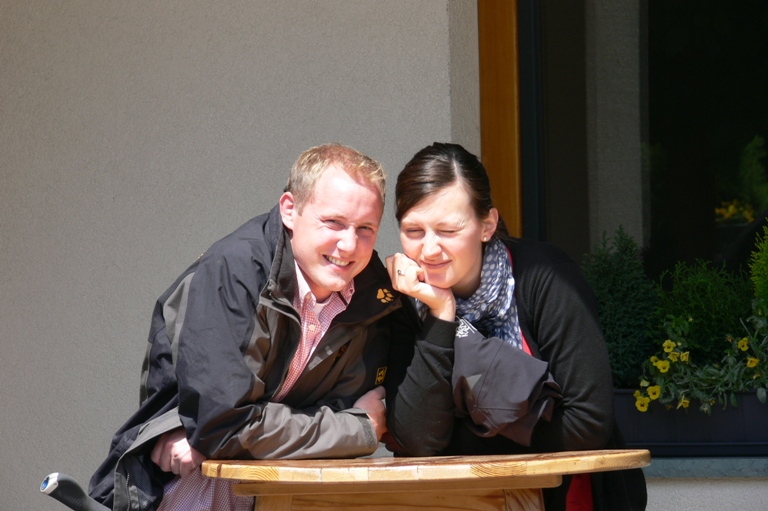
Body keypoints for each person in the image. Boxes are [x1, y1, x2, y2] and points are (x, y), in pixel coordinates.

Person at [88, 143, 403, 511]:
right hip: (189, 485)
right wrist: (357, 430)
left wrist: (233, 432)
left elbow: (346, 403)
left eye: (366, 229)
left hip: (289, 494)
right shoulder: (235, 270)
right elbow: (224, 426)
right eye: (333, 222)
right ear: (290, 209)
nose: (349, 245)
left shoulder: (374, 293)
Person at [383, 142, 647, 511]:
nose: (429, 250)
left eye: (448, 230)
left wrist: (456, 439)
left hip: (563, 498)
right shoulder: (402, 301)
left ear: (487, 225)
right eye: (414, 231)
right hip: (451, 503)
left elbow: (588, 422)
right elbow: (415, 438)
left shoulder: (545, 277)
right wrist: (441, 314)